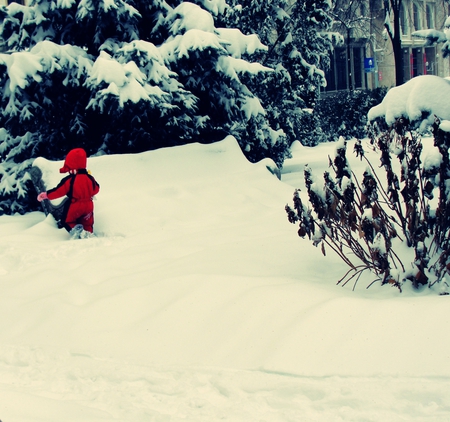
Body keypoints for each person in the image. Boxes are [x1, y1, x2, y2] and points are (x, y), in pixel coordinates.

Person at [37, 148, 100, 236]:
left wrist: (46, 195)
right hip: (89, 205)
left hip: (75, 205)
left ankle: (78, 233)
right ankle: (88, 235)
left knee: (67, 221)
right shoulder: (90, 178)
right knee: (87, 223)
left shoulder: (70, 180)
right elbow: (96, 189)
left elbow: (59, 191)